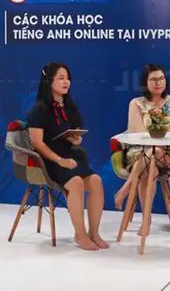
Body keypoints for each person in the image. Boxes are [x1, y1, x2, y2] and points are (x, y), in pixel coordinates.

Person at [27, 62, 109, 251]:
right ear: (49, 81)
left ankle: (94, 233)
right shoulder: (38, 109)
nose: (66, 82)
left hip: (69, 156)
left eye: (68, 78)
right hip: (49, 160)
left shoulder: (69, 106)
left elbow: (75, 135)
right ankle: (80, 235)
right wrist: (60, 160)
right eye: (61, 78)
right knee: (76, 183)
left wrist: (75, 139)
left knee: (96, 181)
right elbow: (37, 143)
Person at [113, 64, 170, 231]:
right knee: (150, 167)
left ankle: (126, 189)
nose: (158, 82)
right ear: (145, 82)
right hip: (139, 153)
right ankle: (146, 219)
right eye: (153, 79)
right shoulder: (136, 103)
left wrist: (166, 141)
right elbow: (137, 133)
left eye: (161, 78)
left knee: (156, 153)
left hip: (168, 154)